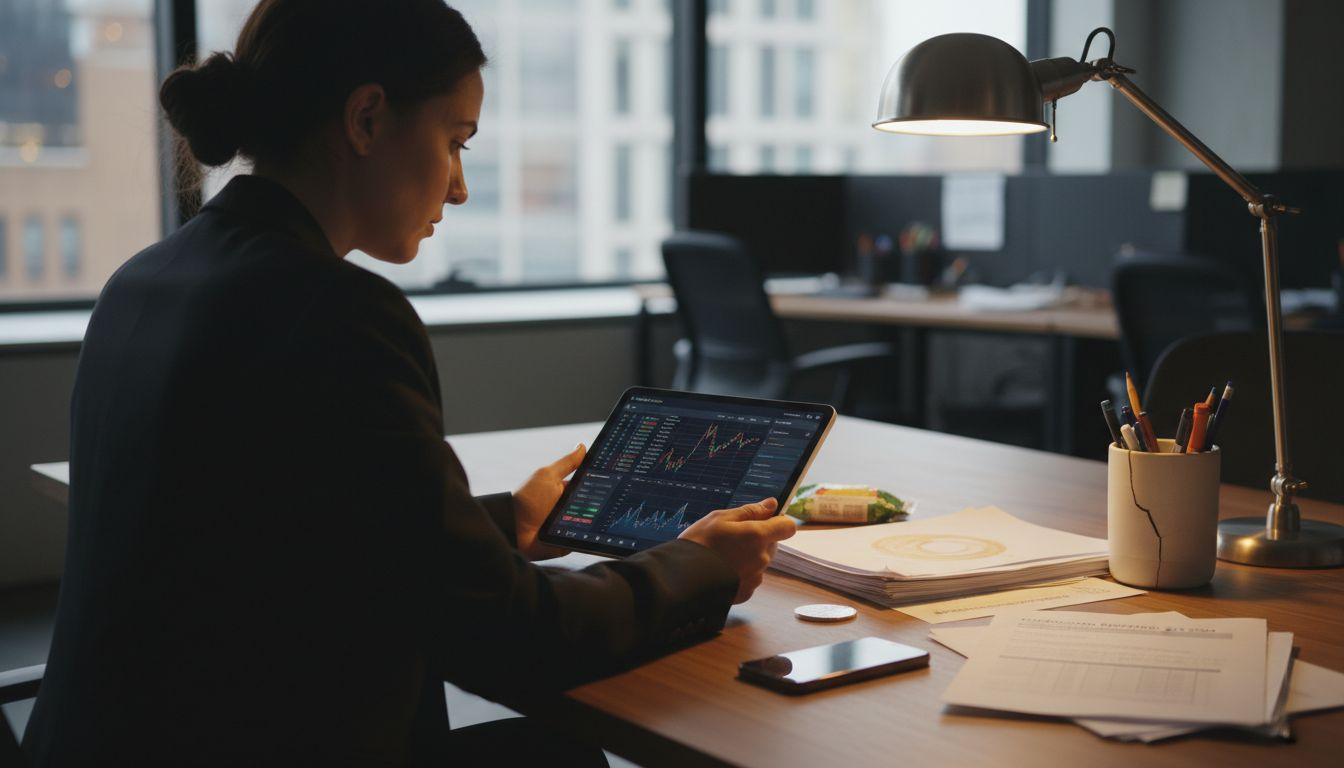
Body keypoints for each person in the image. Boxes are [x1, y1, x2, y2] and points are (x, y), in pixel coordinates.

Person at [21, 1, 796, 765]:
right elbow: (511, 640)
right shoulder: (333, 312)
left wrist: (509, 524)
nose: (458, 188)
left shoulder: (144, 281)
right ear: (366, 119)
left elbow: (287, 538)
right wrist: (700, 566)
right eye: (456, 142)